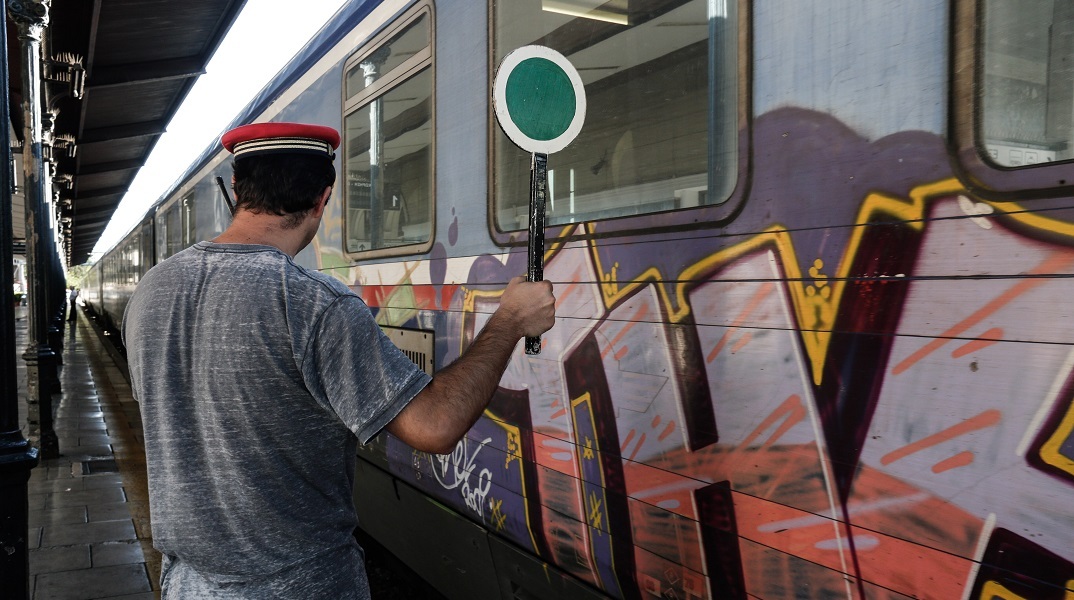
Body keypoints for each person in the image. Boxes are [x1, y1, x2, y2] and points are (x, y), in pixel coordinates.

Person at [122, 122, 556, 599]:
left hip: (188, 586)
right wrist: (509, 321)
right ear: (322, 200)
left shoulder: (152, 292)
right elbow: (434, 425)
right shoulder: (313, 303)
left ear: (238, 192)